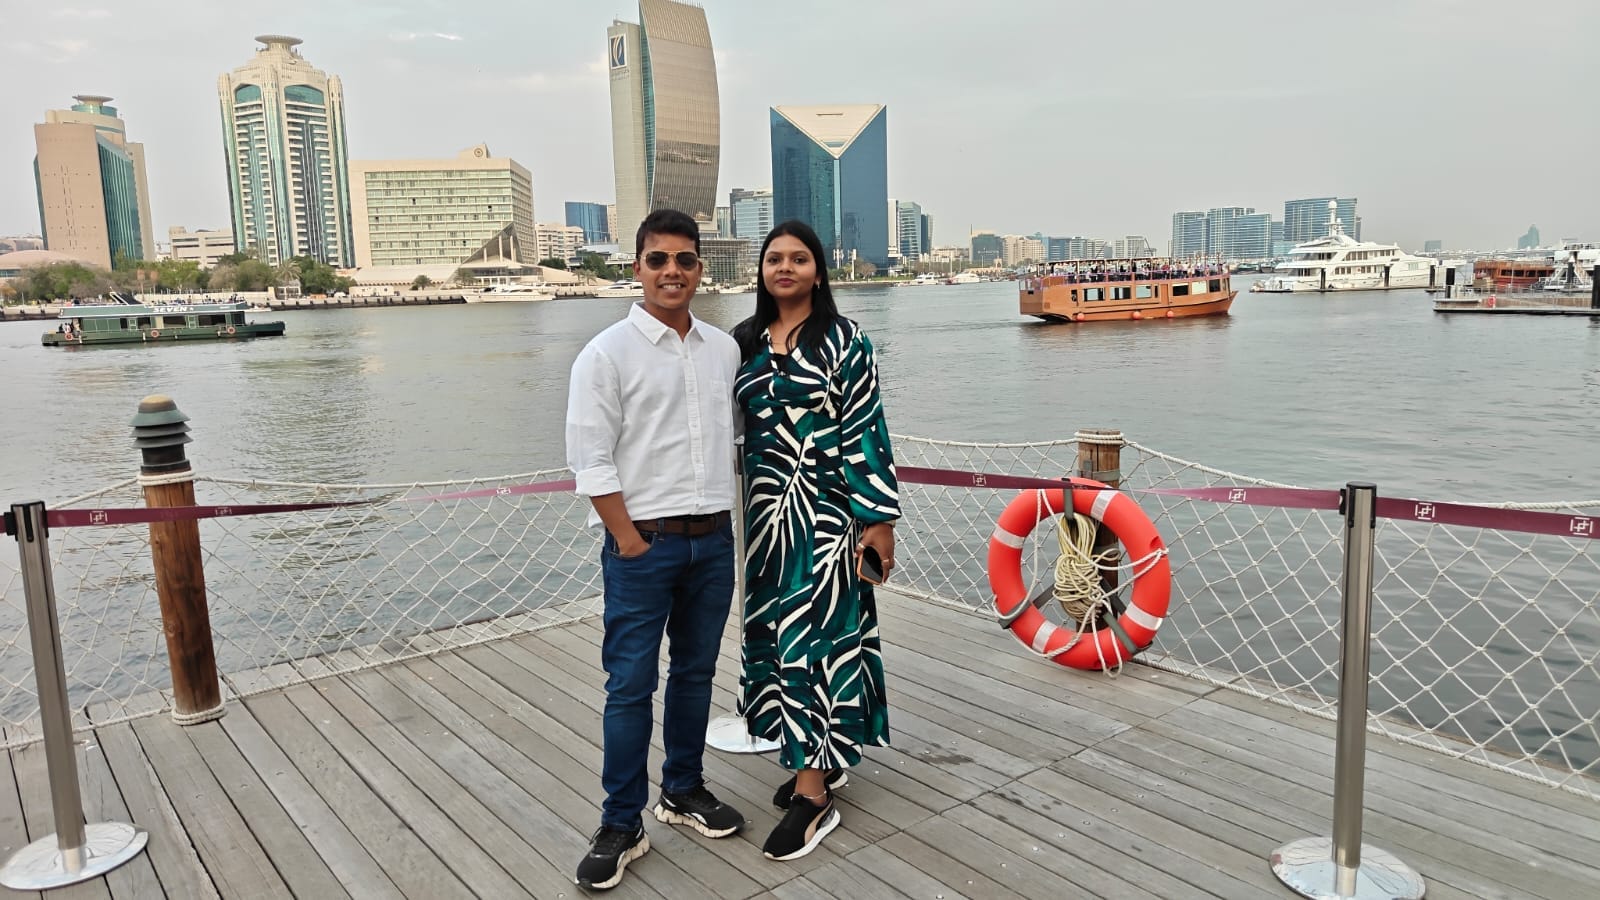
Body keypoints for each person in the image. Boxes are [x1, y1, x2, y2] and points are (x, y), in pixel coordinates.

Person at [565, 208, 745, 891]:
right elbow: (590, 459)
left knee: (696, 674)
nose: (673, 271)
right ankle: (621, 821)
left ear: (701, 268)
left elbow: (736, 437)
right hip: (644, 546)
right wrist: (628, 540)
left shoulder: (723, 350)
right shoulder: (605, 354)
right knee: (630, 686)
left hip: (713, 543)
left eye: (685, 260)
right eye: (659, 259)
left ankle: (682, 788)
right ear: (637, 267)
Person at [731, 220, 901, 861]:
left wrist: (878, 521)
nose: (785, 267)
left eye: (798, 258)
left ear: (818, 271)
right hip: (766, 523)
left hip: (828, 522)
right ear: (762, 271)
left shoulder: (844, 340)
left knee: (817, 644)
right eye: (774, 258)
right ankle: (818, 759)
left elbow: (866, 429)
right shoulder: (743, 341)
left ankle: (813, 796)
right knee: (778, 642)